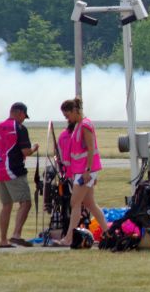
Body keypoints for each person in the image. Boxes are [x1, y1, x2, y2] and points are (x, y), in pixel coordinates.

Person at [56, 97, 108, 246]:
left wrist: (88, 170)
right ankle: (107, 232)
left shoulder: (85, 125)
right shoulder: (79, 125)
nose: (67, 119)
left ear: (74, 111)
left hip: (85, 171)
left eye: (67, 115)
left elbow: (91, 149)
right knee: (90, 203)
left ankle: (69, 238)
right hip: (82, 171)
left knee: (75, 202)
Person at [0, 102, 39, 248]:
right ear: (19, 113)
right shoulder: (19, 128)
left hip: (0, 171)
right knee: (25, 202)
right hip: (14, 171)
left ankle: (3, 240)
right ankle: (16, 235)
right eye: (24, 116)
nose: (24, 119)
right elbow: (26, 151)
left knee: (6, 205)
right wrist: (34, 148)